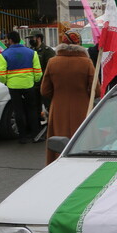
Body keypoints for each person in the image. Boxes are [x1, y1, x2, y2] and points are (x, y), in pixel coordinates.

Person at [40, 36, 93, 164]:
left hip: (58, 108)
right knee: (81, 139)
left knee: (58, 141)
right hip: (82, 107)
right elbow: (95, 90)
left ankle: (58, 165)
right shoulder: (86, 62)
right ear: (79, 44)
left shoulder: (52, 62)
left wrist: (58, 94)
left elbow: (44, 90)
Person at [0, 31, 42, 143]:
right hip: (29, 85)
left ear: (10, 40)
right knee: (32, 109)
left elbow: (0, 74)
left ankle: (22, 137)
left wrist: (6, 82)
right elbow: (38, 72)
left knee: (18, 111)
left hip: (13, 86)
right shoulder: (32, 52)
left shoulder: (4, 54)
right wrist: (34, 81)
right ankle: (35, 135)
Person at [29, 33, 55, 113]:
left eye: (32, 38)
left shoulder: (47, 51)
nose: (30, 40)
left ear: (39, 38)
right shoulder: (31, 51)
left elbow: (50, 68)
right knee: (35, 109)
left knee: (48, 108)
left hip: (44, 84)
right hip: (33, 85)